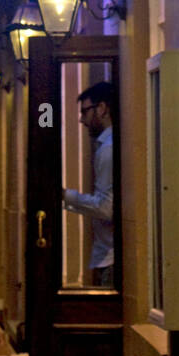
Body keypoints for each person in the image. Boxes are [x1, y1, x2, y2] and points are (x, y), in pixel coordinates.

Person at [62, 81, 115, 287]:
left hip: (110, 256)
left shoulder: (108, 150)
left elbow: (105, 208)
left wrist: (65, 195)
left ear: (101, 109)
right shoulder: (105, 146)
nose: (81, 120)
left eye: (85, 112)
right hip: (106, 254)